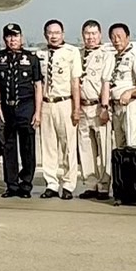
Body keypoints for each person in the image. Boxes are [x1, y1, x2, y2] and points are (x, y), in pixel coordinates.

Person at [0, 23, 43, 198]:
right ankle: (11, 185)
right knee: (9, 147)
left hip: (26, 106)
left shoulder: (31, 58)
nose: (13, 39)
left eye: (16, 36)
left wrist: (38, 111)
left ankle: (26, 184)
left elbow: (38, 85)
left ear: (21, 37)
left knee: (28, 147)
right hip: (7, 107)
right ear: (4, 38)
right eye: (9, 36)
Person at [37, 20, 83, 200]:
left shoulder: (72, 52)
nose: (53, 36)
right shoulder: (41, 53)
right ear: (45, 34)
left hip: (65, 101)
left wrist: (76, 108)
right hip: (47, 102)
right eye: (50, 32)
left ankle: (69, 184)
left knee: (68, 146)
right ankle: (51, 183)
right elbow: (38, 83)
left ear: (63, 34)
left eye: (57, 32)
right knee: (48, 146)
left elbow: (75, 82)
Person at [75, 20, 115, 200]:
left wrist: (105, 107)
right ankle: (91, 183)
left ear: (100, 35)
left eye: (93, 34)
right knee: (85, 148)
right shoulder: (78, 54)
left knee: (104, 148)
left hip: (98, 106)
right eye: (87, 34)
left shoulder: (106, 54)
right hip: (82, 107)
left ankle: (104, 185)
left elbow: (106, 82)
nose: (90, 37)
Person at [108, 22, 136, 156]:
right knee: (120, 146)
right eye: (113, 37)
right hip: (116, 107)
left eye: (120, 36)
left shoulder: (135, 57)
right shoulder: (113, 58)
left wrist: (130, 92)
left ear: (128, 37)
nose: (116, 40)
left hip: (131, 105)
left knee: (133, 144)